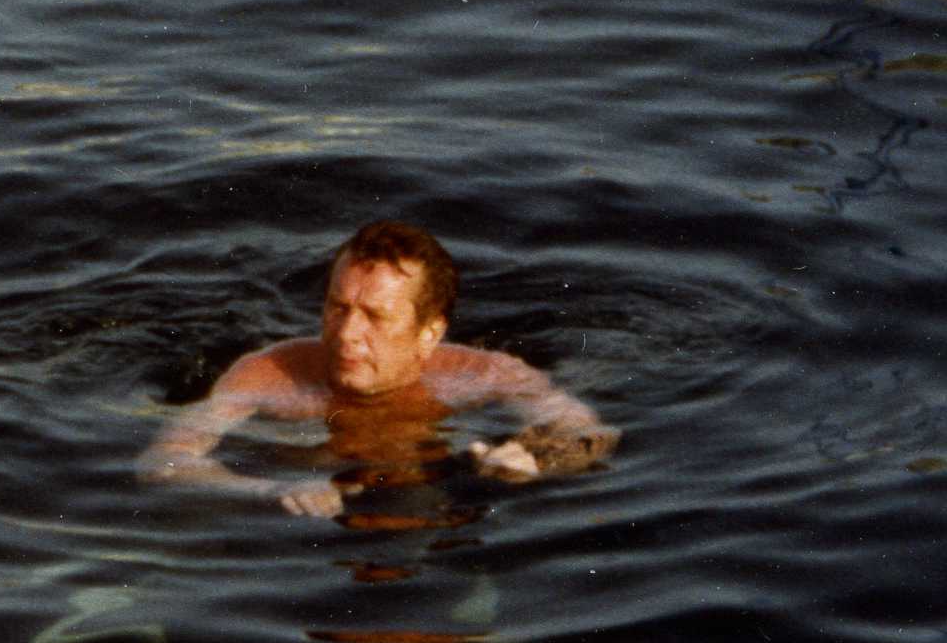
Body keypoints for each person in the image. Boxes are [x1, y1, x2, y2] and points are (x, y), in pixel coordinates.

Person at [141, 221, 614, 517]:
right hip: (307, 515)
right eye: (337, 307)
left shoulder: (479, 374)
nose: (346, 333)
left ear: (430, 332)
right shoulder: (268, 375)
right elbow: (164, 463)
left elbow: (588, 430)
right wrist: (271, 489)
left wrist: (538, 458)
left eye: (376, 317)